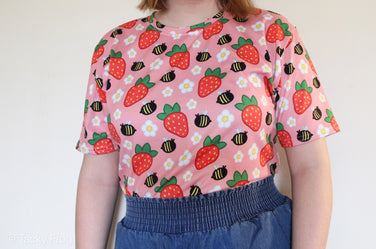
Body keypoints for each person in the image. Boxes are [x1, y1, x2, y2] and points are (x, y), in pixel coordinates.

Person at [75, 0, 341, 248]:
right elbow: (98, 177)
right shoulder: (113, 48)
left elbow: (311, 166)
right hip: (145, 238)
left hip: (252, 236)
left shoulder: (272, 33)